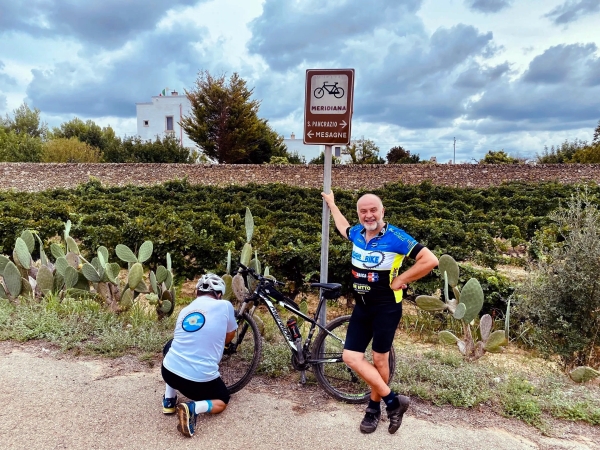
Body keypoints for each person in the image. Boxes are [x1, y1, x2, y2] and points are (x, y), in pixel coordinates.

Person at [321, 191, 438, 434]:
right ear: (358, 214)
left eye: (373, 210)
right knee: (350, 357)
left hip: (386, 307)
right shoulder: (357, 233)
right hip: (362, 306)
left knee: (379, 359)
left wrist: (401, 279)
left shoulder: (395, 237)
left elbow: (430, 260)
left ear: (382, 212)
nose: (368, 215)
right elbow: (343, 226)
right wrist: (332, 204)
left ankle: (373, 408)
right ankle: (394, 401)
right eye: (363, 211)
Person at [161, 273, 238, 438]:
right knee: (222, 400)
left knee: (170, 345)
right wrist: (217, 345)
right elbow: (230, 334)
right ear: (219, 294)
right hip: (199, 382)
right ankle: (193, 408)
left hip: (168, 372)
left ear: (197, 293)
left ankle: (169, 399)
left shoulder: (185, 310)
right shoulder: (225, 306)